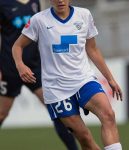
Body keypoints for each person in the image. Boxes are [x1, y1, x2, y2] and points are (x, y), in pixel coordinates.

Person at [12, 0, 123, 150]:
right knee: (84, 138)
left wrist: (110, 79)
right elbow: (17, 46)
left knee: (108, 115)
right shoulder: (39, 20)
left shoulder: (84, 15)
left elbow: (93, 49)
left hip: (84, 80)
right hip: (57, 89)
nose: (60, 0)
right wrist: (20, 65)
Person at [0, 0, 79, 150]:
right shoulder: (3, 3)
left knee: (57, 111)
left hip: (36, 67)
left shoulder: (35, 2)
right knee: (2, 114)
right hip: (10, 67)